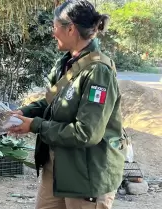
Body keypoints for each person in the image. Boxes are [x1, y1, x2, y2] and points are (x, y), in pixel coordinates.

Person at [8, 1, 125, 209]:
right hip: (58, 166)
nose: (53, 33)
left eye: (55, 28)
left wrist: (34, 125)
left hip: (87, 176)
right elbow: (54, 102)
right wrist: (24, 112)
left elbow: (86, 133)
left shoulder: (98, 72)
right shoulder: (67, 62)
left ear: (70, 28)